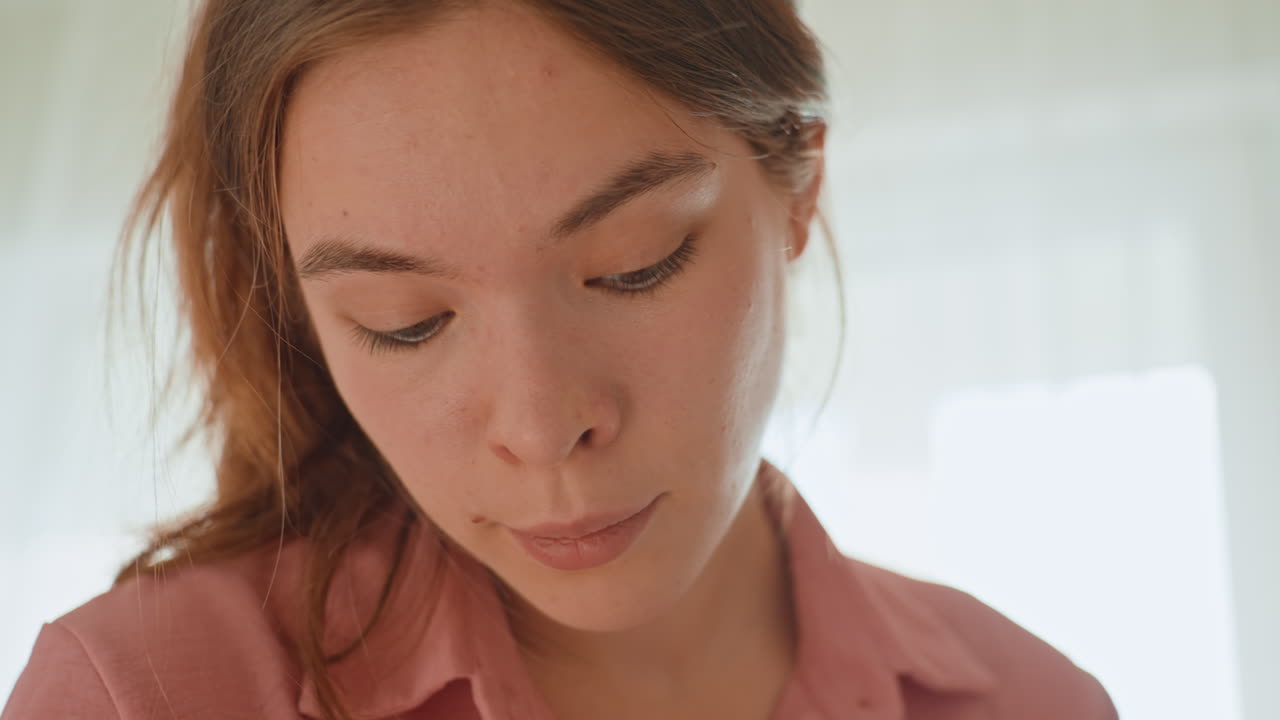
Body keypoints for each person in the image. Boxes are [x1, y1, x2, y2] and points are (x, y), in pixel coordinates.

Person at [3, 1, 1118, 718]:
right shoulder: (143, 697)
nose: (542, 429)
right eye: (404, 322)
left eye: (635, 266)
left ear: (798, 185)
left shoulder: (1034, 703)